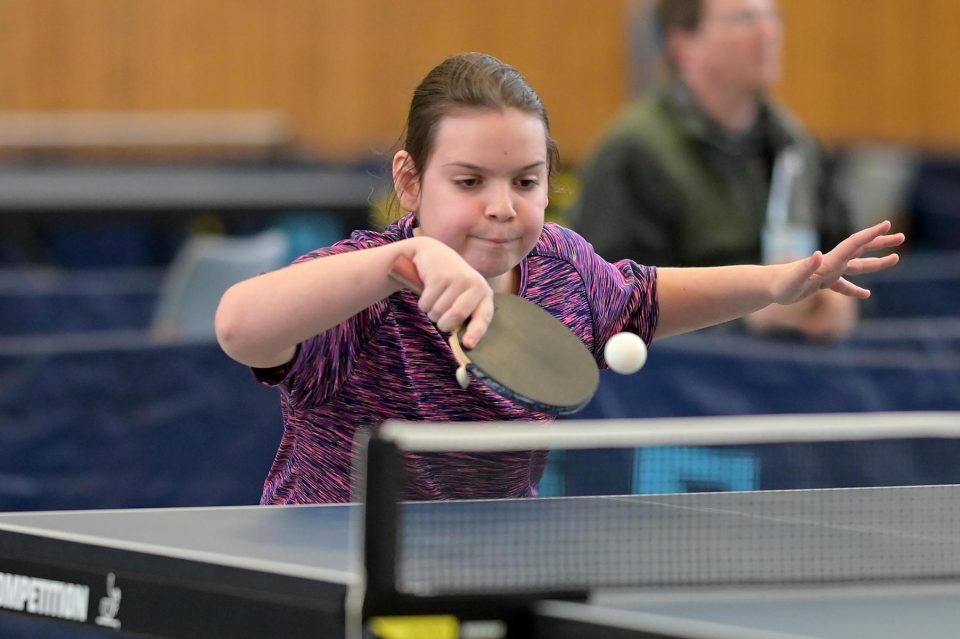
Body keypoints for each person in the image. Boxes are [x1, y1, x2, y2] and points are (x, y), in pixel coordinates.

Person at [215, 52, 903, 505]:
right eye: (468, 181)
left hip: (490, 569)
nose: (501, 206)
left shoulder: (560, 269)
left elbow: (645, 297)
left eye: (525, 180)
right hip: (336, 572)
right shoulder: (359, 292)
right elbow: (239, 326)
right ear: (410, 180)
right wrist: (404, 266)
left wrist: (776, 282)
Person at [571, 0, 858, 342]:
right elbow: (613, 306)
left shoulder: (793, 141)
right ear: (683, 45)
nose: (769, 32)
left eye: (773, 17)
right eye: (745, 19)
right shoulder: (634, 153)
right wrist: (748, 314)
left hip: (800, 370)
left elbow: (844, 248)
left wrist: (843, 306)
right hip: (689, 378)